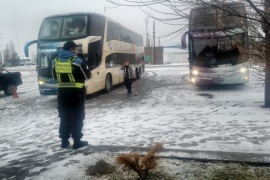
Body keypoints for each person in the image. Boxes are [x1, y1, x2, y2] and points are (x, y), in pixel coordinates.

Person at [52, 41, 91, 149]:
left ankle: (64, 141)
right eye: (76, 49)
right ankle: (77, 141)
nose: (77, 51)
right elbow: (87, 76)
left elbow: (55, 77)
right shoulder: (77, 61)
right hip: (76, 94)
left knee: (64, 117)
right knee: (77, 117)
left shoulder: (56, 61)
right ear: (71, 50)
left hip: (62, 94)